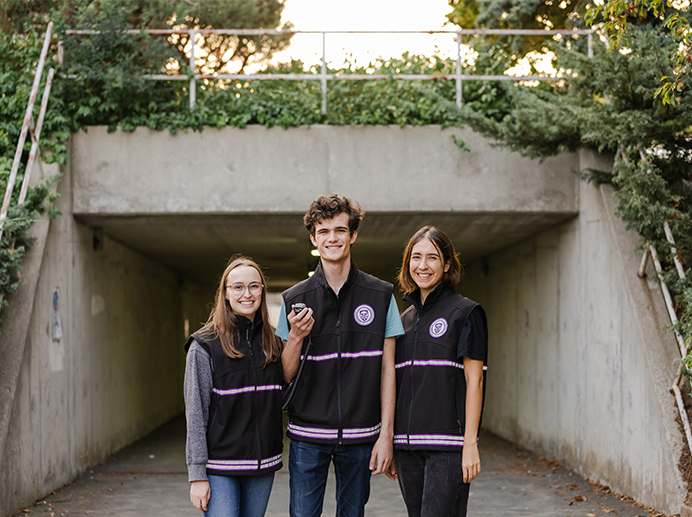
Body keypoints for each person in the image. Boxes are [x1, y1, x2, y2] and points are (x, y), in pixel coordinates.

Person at [276, 193, 404, 517]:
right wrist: (295, 337)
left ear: (353, 235)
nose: (332, 238)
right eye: (323, 232)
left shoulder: (382, 295)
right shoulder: (293, 299)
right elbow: (284, 374)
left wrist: (386, 435)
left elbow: (388, 369)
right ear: (313, 238)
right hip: (307, 437)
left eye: (339, 230)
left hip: (363, 435)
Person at [388, 226, 488, 517]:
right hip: (408, 448)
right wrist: (394, 442)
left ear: (446, 265)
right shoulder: (403, 320)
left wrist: (470, 443)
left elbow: (475, 381)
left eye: (432, 257)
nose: (423, 265)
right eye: (416, 257)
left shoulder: (466, 313)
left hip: (447, 447)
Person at [184, 256, 284, 517]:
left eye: (254, 286)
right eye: (237, 287)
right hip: (219, 467)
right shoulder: (204, 345)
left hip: (262, 465)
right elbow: (196, 414)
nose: (247, 294)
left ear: (262, 290)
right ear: (225, 294)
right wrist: (197, 475)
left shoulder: (273, 342)